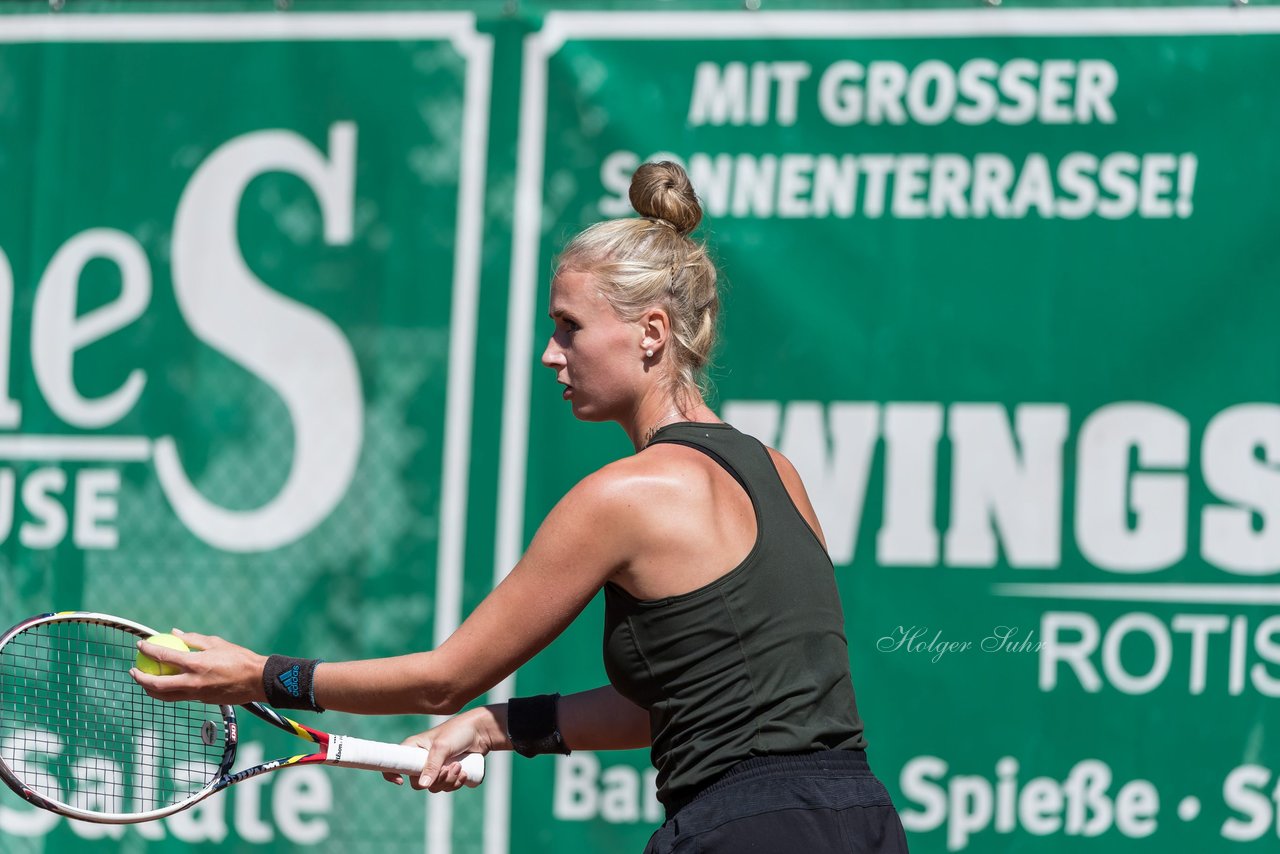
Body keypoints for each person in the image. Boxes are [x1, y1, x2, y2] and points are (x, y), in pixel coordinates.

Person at [132, 161, 910, 852]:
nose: (551, 354)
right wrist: (492, 729)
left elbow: (443, 679)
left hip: (744, 834)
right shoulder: (778, 471)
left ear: (651, 333)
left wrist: (262, 676)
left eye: (569, 329)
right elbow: (671, 711)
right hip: (863, 820)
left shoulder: (622, 498)